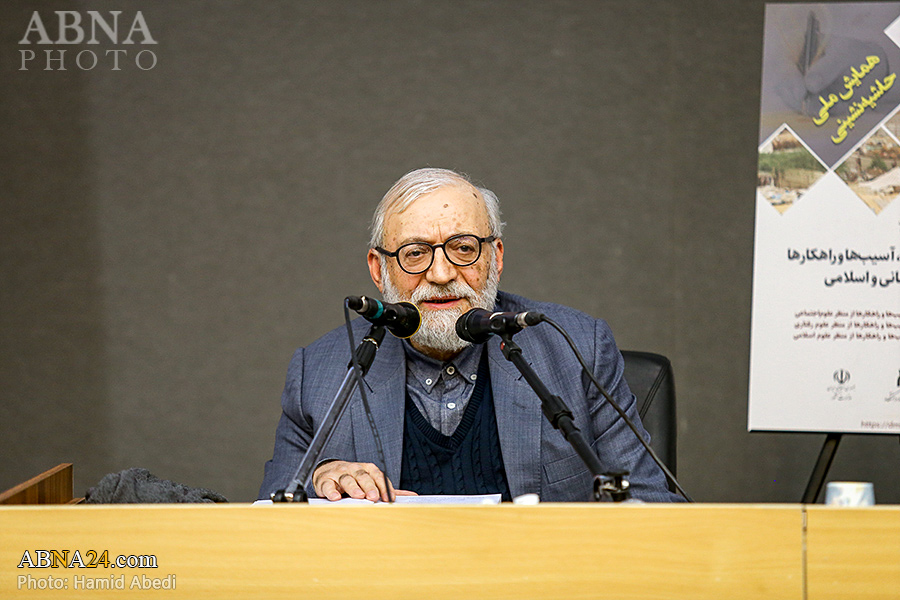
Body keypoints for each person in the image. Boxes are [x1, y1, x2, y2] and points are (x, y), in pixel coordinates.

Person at [259, 168, 679, 502]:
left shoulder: (577, 347)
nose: (441, 275)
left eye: (463, 248)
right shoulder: (320, 372)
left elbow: (652, 509)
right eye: (415, 253)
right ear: (378, 269)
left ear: (495, 257)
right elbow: (268, 524)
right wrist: (319, 478)